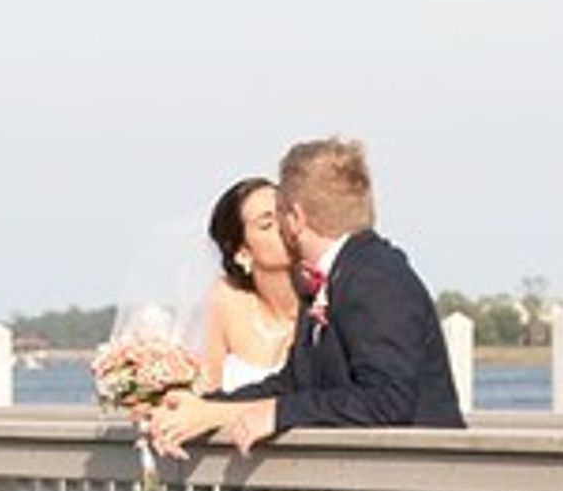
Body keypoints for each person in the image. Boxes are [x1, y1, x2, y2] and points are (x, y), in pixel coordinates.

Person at [150, 136, 464, 451]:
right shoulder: (331, 279)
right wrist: (207, 408)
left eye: (279, 213)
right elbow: (295, 382)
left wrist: (278, 414)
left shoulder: (375, 277)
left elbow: (387, 401)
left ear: (296, 218)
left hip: (417, 475)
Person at [196, 175, 301, 390]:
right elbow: (205, 390)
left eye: (286, 214)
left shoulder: (330, 296)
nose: (284, 226)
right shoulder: (226, 297)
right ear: (242, 252)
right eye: (267, 224)